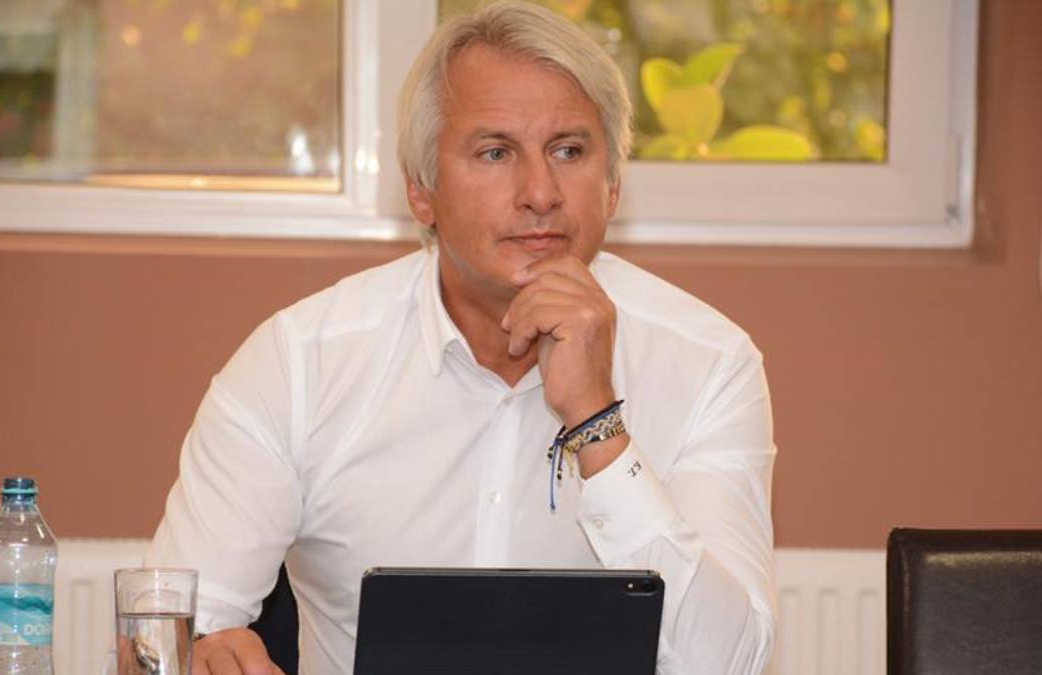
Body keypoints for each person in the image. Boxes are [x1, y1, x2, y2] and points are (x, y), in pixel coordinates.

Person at [145, 2, 776, 674]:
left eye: (569, 150)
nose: (540, 192)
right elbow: (155, 638)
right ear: (422, 191)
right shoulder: (300, 364)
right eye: (495, 152)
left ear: (613, 185)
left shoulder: (709, 363)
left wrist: (598, 424)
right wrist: (194, 653)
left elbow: (732, 663)